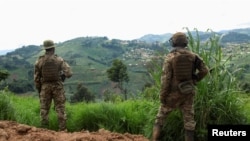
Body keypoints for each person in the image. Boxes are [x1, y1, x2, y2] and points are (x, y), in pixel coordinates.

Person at [152, 32, 209, 141]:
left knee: (160, 118)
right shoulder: (193, 56)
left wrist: (163, 96)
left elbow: (165, 80)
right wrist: (195, 79)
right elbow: (205, 70)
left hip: (172, 94)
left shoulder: (170, 58)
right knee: (189, 121)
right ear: (185, 42)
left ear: (173, 43)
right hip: (188, 92)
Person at [34, 39, 73, 131]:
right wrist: (62, 75)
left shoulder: (39, 61)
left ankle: (44, 130)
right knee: (60, 109)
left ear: (45, 49)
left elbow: (36, 79)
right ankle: (62, 130)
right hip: (57, 87)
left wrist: (39, 89)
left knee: (44, 110)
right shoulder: (59, 60)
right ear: (53, 48)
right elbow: (69, 73)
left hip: (45, 87)